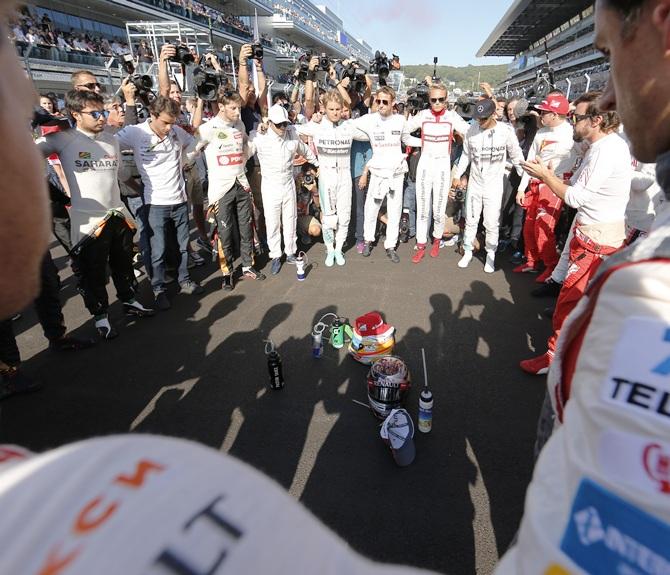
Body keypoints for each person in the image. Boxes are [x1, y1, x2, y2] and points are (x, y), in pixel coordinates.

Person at [496, 1, 670, 571]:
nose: (609, 99)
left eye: (606, 52)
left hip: (600, 237)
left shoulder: (647, 279)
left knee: (570, 305)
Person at [519, 91, 631, 375]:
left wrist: (546, 176)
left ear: (595, 120)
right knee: (582, 305)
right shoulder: (602, 146)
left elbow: (576, 198)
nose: (572, 122)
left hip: (597, 240)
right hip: (595, 234)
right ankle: (573, 357)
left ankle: (554, 360)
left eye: (576, 117)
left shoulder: (606, 151)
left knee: (568, 305)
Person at [36, 91, 155, 339]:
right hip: (88, 222)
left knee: (124, 266)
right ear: (76, 115)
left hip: (118, 215)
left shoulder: (111, 140)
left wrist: (141, 190)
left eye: (103, 111)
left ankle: (130, 301)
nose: (102, 118)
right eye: (95, 113)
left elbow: (121, 174)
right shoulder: (62, 139)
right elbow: (25, 155)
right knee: (94, 274)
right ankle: (100, 316)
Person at [116, 96, 204, 311]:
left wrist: (185, 160)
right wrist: (123, 173)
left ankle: (184, 280)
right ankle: (158, 289)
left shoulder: (176, 132)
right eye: (165, 122)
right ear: (152, 115)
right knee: (158, 250)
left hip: (180, 200)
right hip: (154, 203)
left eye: (172, 122)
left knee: (183, 246)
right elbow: (108, 144)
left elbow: (193, 144)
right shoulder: (135, 132)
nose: (168, 127)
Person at [194, 89, 265, 290]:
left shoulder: (240, 124)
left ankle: (248, 266)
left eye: (239, 108)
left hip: (241, 183)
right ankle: (227, 272)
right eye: (233, 108)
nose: (237, 112)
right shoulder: (208, 128)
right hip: (220, 189)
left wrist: (253, 141)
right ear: (222, 106)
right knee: (224, 232)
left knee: (246, 227)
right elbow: (191, 150)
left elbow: (245, 149)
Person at [452, 98, 524, 273]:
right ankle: (468, 251)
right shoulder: (471, 131)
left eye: (483, 118)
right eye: (478, 118)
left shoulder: (505, 131)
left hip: (494, 185)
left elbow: (517, 157)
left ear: (493, 114)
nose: (480, 121)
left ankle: (490, 255)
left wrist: (525, 180)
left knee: (491, 223)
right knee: (471, 220)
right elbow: (466, 156)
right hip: (475, 183)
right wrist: (456, 174)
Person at [350, 86, 420, 263]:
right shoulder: (368, 119)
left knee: (395, 211)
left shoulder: (399, 121)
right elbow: (348, 126)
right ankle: (368, 240)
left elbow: (407, 139)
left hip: (396, 173)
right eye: (378, 101)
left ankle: (390, 245)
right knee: (371, 209)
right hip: (378, 173)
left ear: (393, 103)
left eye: (385, 102)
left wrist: (426, 142)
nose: (380, 105)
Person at [248, 104, 318, 275]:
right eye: (279, 124)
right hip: (270, 185)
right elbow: (246, 152)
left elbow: (305, 150)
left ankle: (291, 252)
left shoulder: (292, 134)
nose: (282, 128)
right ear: (270, 122)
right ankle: (275, 256)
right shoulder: (259, 136)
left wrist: (317, 164)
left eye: (285, 124)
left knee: (290, 219)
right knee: (272, 222)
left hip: (288, 184)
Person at [514, 94, 577, 283]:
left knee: (544, 229)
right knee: (529, 227)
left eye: (544, 111)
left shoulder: (572, 134)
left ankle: (551, 267)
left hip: (554, 184)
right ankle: (532, 261)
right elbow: (530, 162)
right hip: (535, 184)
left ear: (556, 114)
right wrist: (521, 188)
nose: (540, 114)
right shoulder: (541, 133)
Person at [405, 83, 469, 262]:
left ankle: (437, 239)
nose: (438, 103)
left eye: (441, 99)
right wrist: (420, 143)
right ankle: (420, 244)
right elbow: (404, 132)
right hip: (425, 164)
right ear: (429, 100)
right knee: (423, 208)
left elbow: (469, 131)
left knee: (439, 210)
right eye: (434, 100)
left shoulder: (452, 116)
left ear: (446, 99)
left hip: (442, 166)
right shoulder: (423, 115)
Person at [297, 90, 363, 266]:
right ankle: (330, 248)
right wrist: (265, 126)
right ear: (324, 108)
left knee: (344, 216)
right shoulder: (317, 126)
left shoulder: (348, 126)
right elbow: (292, 129)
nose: (335, 112)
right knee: (328, 218)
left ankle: (338, 249)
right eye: (331, 109)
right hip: (327, 177)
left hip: (344, 177)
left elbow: (369, 133)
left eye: (338, 109)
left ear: (342, 109)